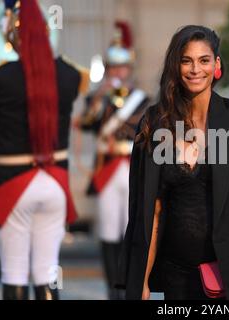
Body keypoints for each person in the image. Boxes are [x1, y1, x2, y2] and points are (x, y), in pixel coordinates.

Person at [116, 25, 229, 300]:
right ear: (176, 66)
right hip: (178, 276)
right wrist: (142, 282)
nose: (195, 69)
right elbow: (150, 210)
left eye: (204, 60)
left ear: (216, 64)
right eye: (186, 60)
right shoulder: (154, 123)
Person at [0, 0, 89, 299]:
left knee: (14, 273)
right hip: (55, 183)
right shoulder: (69, 74)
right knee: (47, 272)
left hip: (13, 185)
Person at [74, 21, 149, 300]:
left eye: (123, 69)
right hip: (108, 168)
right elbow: (85, 124)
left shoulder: (142, 100)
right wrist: (99, 98)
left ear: (130, 70)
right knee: (108, 231)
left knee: (131, 230)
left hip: (132, 167)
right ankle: (110, 289)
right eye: (114, 68)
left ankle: (129, 287)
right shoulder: (98, 97)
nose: (119, 73)